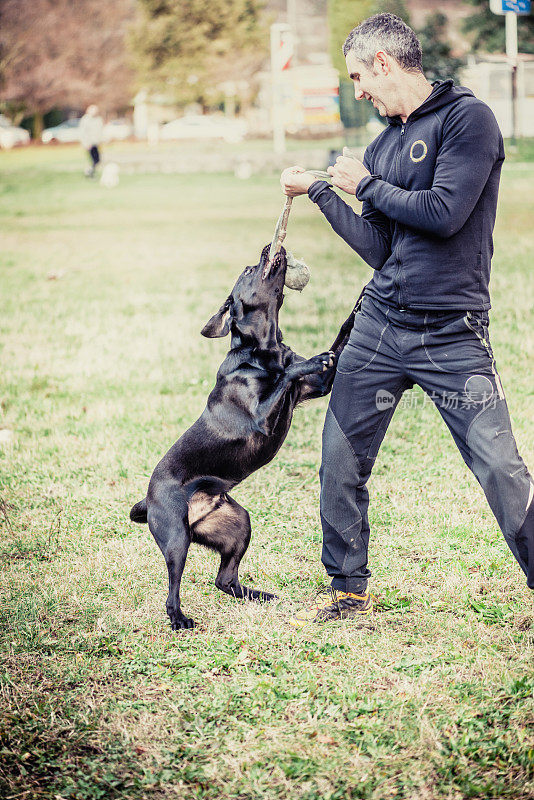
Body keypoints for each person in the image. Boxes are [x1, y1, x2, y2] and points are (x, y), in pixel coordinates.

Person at [280, 13, 533, 626]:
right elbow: (380, 247)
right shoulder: (383, 143)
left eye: (360, 75)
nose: (358, 89)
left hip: (452, 331)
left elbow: (445, 213)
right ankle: (348, 590)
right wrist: (322, 194)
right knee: (339, 458)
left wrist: (365, 185)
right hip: (380, 324)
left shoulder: (466, 120)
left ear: (386, 63)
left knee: (498, 465)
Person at [80, 104, 104, 178]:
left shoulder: (98, 119)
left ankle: (90, 172)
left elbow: (100, 131)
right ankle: (89, 173)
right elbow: (83, 133)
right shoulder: (85, 120)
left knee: (97, 160)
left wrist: (101, 140)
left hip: (96, 143)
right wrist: (86, 143)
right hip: (89, 143)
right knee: (93, 160)